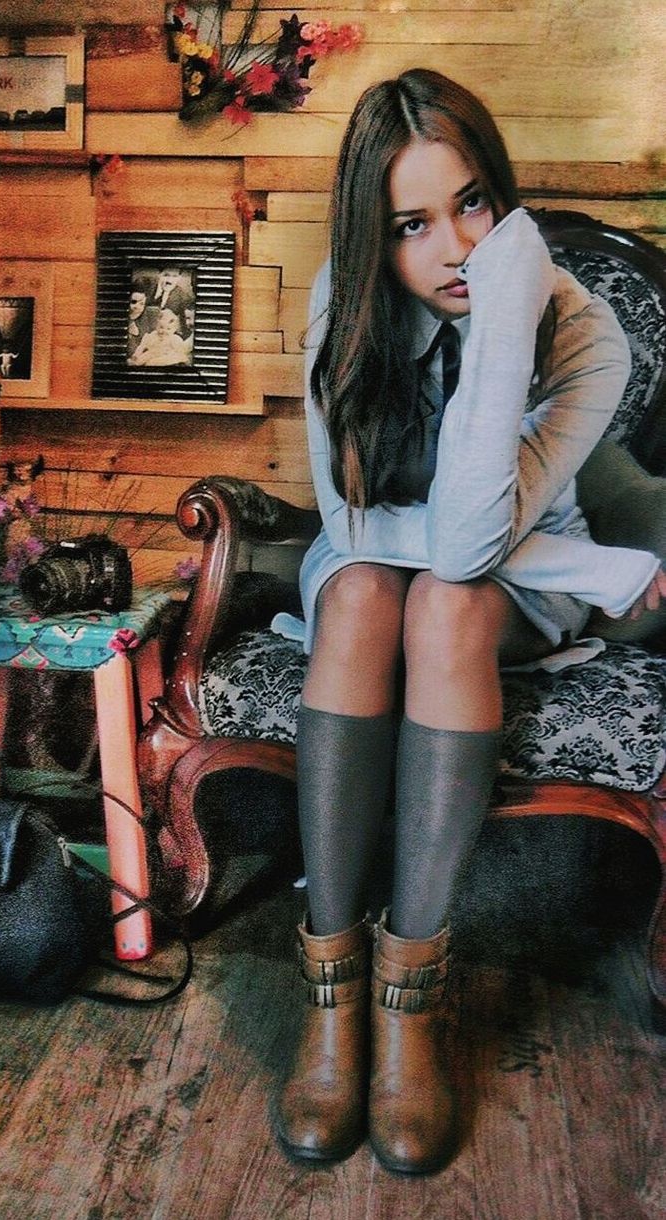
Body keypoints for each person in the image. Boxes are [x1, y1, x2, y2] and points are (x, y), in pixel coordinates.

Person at [274, 68, 666, 1175]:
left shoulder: (590, 340)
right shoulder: (336, 311)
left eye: (474, 206)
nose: (451, 249)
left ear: (509, 203)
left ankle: (409, 1006)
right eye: (411, 224)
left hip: (516, 581)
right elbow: (357, 527)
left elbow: (467, 549)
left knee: (444, 605)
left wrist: (507, 314)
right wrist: (609, 561)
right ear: (372, 236)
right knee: (357, 590)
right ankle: (332, 1000)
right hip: (380, 565)